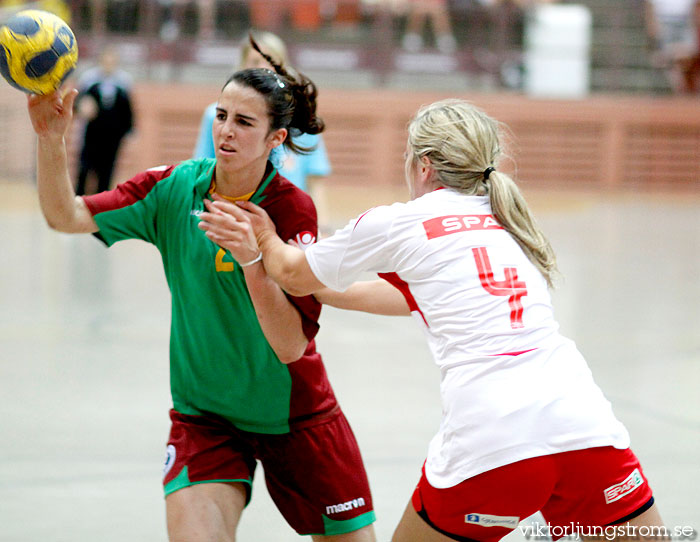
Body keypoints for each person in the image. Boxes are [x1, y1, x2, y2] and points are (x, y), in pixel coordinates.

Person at [199, 99, 665, 542]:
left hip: (492, 437)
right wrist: (326, 288)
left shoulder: (400, 222)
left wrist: (259, 235)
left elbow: (291, 274)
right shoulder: (510, 222)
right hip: (583, 425)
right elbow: (412, 298)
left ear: (423, 165)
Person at [26, 40, 376, 541]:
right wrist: (50, 139)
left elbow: (291, 345)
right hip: (205, 417)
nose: (226, 131)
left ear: (276, 137)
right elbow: (66, 216)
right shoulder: (172, 188)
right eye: (222, 115)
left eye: (244, 122)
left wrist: (254, 259)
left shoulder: (290, 209)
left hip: (295, 416)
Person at [193, 31, 332, 196]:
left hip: (287, 215)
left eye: (270, 61)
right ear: (242, 65)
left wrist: (317, 221)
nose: (264, 67)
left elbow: (315, 180)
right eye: (255, 61)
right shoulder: (214, 116)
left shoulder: (301, 118)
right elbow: (203, 172)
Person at [74, 46, 134, 195]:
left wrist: (129, 132)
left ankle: (100, 204)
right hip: (91, 134)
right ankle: (78, 201)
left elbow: (128, 111)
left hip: (112, 136)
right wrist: (82, 106)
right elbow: (78, 103)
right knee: (85, 168)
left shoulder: (123, 82)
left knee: (106, 171)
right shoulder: (89, 80)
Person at [645, 0, 700, 93]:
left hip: (686, 20)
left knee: (687, 56)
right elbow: (650, 8)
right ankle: (680, 88)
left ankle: (684, 88)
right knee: (672, 57)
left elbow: (695, 7)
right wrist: (653, 30)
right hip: (665, 21)